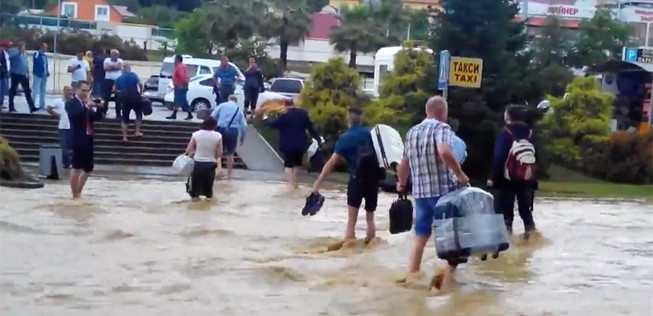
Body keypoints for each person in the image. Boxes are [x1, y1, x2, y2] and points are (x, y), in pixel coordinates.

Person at [395, 96, 470, 290]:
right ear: (442, 112)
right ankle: (446, 280)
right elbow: (444, 151)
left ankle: (412, 275)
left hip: (421, 195)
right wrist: (460, 174)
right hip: (443, 193)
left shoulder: (412, 132)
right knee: (452, 236)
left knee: (420, 237)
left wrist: (401, 184)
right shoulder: (442, 128)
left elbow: (403, 164)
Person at [311, 108, 382, 244]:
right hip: (373, 180)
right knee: (370, 217)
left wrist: (317, 184)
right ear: (361, 119)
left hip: (356, 179)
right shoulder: (370, 134)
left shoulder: (345, 138)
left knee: (351, 220)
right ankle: (371, 245)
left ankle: (349, 248)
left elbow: (331, 163)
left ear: (348, 120)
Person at [487, 104, 538, 236]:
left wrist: (493, 178)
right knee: (526, 212)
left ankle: (507, 245)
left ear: (508, 116)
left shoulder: (505, 133)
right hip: (526, 179)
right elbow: (535, 157)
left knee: (506, 216)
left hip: (506, 181)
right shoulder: (530, 133)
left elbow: (499, 157)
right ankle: (532, 239)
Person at [256, 98, 321, 188]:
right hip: (300, 144)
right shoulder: (303, 114)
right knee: (297, 164)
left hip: (288, 145)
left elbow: (272, 125)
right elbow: (311, 128)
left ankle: (290, 184)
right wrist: (318, 139)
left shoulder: (284, 116)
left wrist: (265, 119)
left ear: (285, 106)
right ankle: (295, 183)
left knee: (288, 165)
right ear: (293, 104)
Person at [65, 81, 104, 199]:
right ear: (77, 90)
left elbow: (97, 118)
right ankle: (74, 193)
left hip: (88, 138)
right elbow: (75, 117)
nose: (85, 93)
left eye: (87, 91)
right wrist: (88, 105)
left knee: (88, 168)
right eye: (83, 90)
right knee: (76, 166)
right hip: (77, 138)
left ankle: (78, 190)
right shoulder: (71, 103)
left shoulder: (86, 104)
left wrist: (99, 107)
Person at [184, 116, 223, 201]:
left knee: (194, 193)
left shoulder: (196, 134)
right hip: (210, 166)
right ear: (214, 125)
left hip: (197, 164)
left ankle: (194, 211)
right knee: (208, 194)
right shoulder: (218, 136)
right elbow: (219, 154)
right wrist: (219, 169)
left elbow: (188, 150)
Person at [211, 95, 247, 179]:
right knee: (230, 153)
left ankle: (218, 171)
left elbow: (213, 116)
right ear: (236, 101)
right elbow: (244, 125)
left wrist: (212, 128)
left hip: (220, 129)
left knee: (218, 151)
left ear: (229, 99)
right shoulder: (239, 110)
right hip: (233, 131)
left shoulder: (222, 105)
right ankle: (229, 174)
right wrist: (242, 136)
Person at [114, 64, 144, 141]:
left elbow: (114, 89)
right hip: (134, 96)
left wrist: (119, 92)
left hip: (124, 97)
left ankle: (125, 136)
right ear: (129, 69)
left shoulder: (119, 78)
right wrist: (140, 92)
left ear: (122, 70)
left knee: (125, 117)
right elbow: (140, 84)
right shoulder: (133, 75)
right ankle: (137, 131)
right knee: (138, 114)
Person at [46, 86, 74, 168]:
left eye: (71, 90)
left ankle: (69, 162)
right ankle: (67, 163)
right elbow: (49, 108)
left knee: (72, 146)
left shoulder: (74, 101)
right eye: (68, 90)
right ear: (64, 91)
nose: (70, 92)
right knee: (64, 146)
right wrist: (57, 115)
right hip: (63, 127)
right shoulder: (58, 101)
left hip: (73, 126)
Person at [6, 41, 37, 113]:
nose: (24, 48)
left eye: (24, 46)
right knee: (13, 90)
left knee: (27, 91)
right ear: (19, 46)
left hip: (23, 75)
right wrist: (19, 52)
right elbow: (10, 57)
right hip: (15, 74)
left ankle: (32, 107)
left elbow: (26, 64)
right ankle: (11, 106)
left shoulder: (24, 54)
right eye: (23, 46)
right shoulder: (14, 51)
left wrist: (28, 73)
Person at [166, 54, 192, 120]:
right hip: (179, 86)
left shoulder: (180, 67)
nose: (174, 61)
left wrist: (183, 84)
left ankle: (188, 114)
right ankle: (176, 114)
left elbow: (182, 76)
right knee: (180, 101)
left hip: (181, 86)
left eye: (175, 59)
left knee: (180, 101)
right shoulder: (179, 66)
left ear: (178, 60)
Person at [103, 49, 123, 117]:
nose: (115, 56)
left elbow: (119, 67)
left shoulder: (120, 60)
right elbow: (105, 68)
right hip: (108, 80)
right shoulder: (107, 60)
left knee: (118, 97)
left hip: (118, 81)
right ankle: (104, 112)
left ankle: (118, 114)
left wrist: (111, 66)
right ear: (111, 55)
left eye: (116, 55)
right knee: (106, 96)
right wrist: (115, 67)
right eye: (114, 55)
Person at [32, 43, 49, 110]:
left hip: (44, 75)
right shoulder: (36, 54)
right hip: (38, 74)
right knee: (35, 90)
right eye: (45, 48)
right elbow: (36, 61)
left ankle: (42, 105)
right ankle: (32, 104)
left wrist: (47, 72)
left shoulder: (44, 56)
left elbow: (46, 65)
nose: (46, 49)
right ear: (42, 47)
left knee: (43, 90)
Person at [0, 39, 11, 111]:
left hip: (4, 73)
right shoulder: (1, 52)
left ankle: (1, 103)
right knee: (1, 89)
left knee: (3, 90)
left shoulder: (5, 53)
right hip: (1, 73)